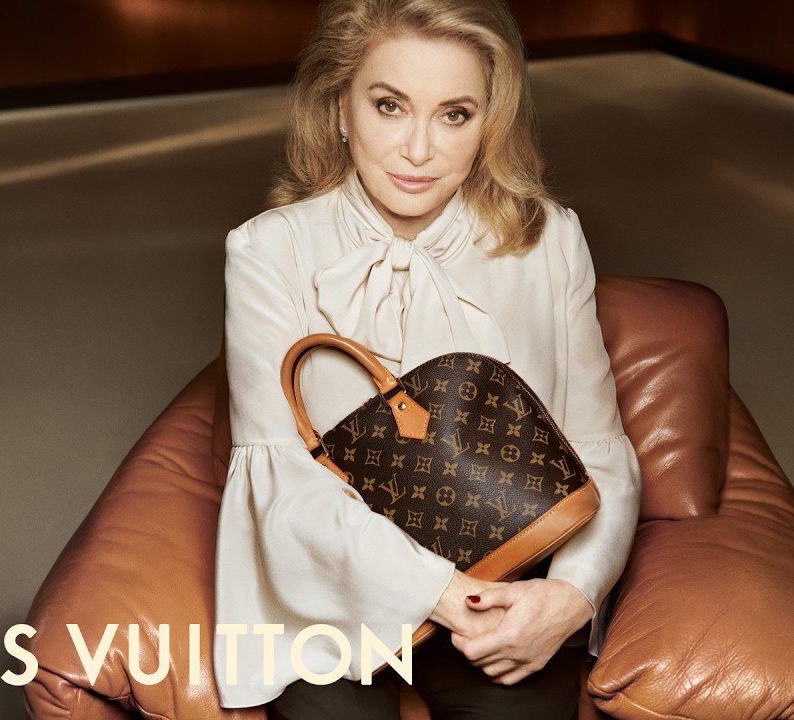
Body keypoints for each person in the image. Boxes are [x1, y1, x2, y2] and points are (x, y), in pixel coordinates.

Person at [215, 0, 641, 717]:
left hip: (507, 572)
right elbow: (281, 478)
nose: (419, 150)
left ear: (489, 124)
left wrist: (571, 595)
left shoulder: (552, 240)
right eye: (390, 106)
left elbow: (598, 446)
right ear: (340, 108)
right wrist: (440, 592)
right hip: (333, 583)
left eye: (454, 115)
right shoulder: (267, 250)